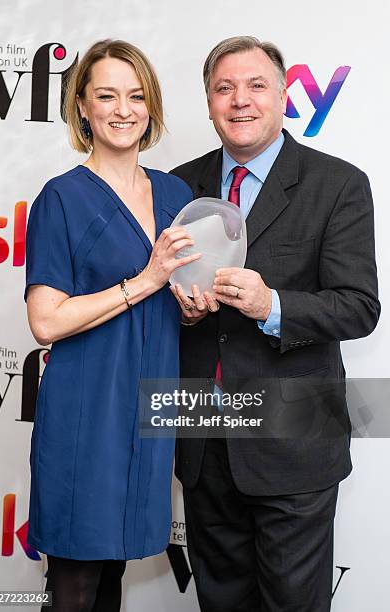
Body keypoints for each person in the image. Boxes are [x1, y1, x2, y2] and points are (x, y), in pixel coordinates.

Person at [170, 36, 380, 612]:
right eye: (224, 88)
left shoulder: (337, 184)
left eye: (256, 85)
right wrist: (179, 306)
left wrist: (273, 306)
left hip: (296, 439)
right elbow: (154, 296)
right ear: (209, 101)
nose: (241, 100)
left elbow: (360, 306)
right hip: (203, 440)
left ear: (285, 96)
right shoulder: (175, 187)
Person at [24, 39, 199, 612]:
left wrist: (191, 303)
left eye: (136, 95)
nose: (123, 110)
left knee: (112, 577)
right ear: (81, 106)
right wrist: (145, 281)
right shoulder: (62, 198)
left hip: (149, 409)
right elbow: (45, 322)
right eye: (106, 95)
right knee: (74, 582)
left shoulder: (177, 194)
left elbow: (178, 296)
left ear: (151, 107)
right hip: (86, 411)